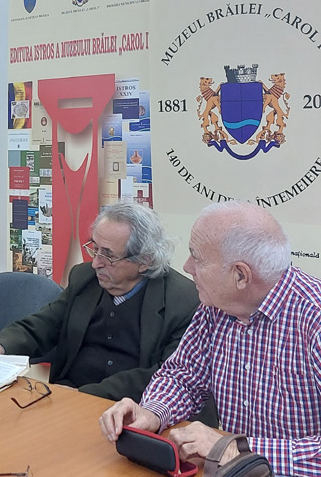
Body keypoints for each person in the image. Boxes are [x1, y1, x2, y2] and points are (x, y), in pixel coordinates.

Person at [100, 201, 321, 477]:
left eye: (198, 258)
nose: (187, 266)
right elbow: (184, 376)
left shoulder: (314, 319)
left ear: (240, 275)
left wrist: (236, 449)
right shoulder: (216, 306)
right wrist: (153, 412)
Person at [0, 201, 202, 404]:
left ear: (144, 261)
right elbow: (44, 324)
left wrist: (86, 395)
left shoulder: (183, 301)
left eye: (108, 255)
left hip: (133, 408)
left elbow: (165, 375)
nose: (96, 263)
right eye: (95, 249)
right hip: (67, 397)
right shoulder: (85, 278)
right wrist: (0, 344)